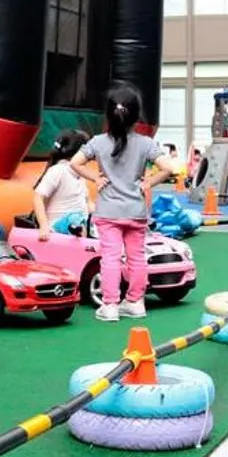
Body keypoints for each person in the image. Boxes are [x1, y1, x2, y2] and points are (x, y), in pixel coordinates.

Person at [73, 83, 179, 321]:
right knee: (136, 257)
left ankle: (110, 306)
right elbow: (169, 167)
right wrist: (149, 182)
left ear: (108, 115)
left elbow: (75, 163)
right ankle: (136, 302)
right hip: (136, 211)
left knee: (110, 257)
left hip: (108, 212)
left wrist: (95, 177)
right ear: (136, 115)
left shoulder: (98, 142)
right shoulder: (145, 143)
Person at [31, 129, 92, 232]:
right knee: (75, 220)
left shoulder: (80, 174)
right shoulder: (58, 171)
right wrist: (44, 226)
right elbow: (38, 197)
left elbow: (88, 202)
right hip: (59, 227)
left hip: (78, 225)